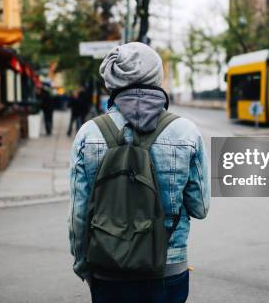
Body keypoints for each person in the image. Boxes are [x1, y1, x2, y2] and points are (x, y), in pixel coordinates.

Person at [68, 42, 210, 303]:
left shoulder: (89, 133)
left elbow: (78, 216)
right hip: (169, 265)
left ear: (112, 82)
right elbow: (200, 207)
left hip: (108, 267)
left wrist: (83, 265)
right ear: (157, 77)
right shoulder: (186, 132)